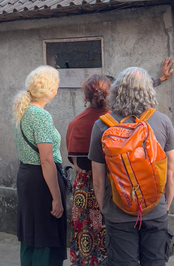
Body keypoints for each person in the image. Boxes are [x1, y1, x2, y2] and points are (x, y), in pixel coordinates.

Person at [89, 67, 174, 266]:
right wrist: (163, 205)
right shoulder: (163, 121)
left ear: (116, 91)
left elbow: (97, 179)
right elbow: (172, 174)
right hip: (155, 209)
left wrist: (106, 208)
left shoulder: (102, 125)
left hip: (117, 211)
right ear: (149, 91)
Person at [13, 65, 67, 266]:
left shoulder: (23, 110)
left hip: (27, 177)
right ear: (50, 90)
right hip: (42, 180)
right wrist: (56, 198)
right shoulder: (42, 116)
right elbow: (46, 159)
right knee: (45, 235)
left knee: (30, 235)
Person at [66, 74, 111, 266]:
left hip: (84, 190)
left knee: (85, 238)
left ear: (86, 97)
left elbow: (76, 164)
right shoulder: (116, 121)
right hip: (112, 188)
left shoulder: (76, 124)